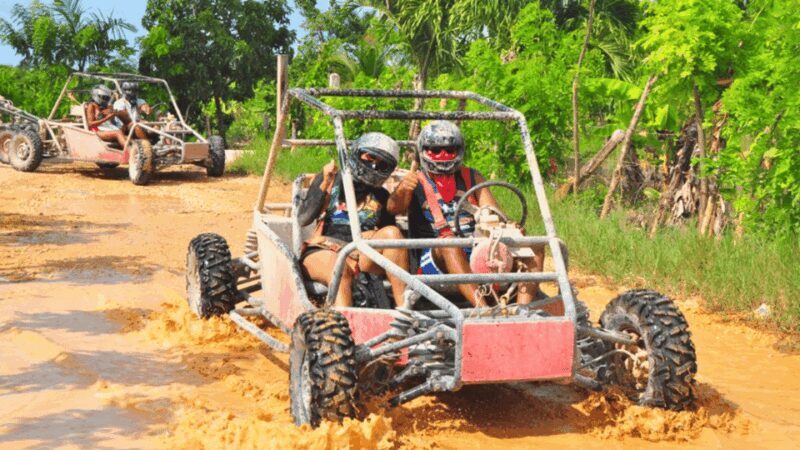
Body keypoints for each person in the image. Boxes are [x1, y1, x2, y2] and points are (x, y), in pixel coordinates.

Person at [388, 120, 551, 309]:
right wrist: (402, 190)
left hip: (476, 250)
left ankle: (523, 309)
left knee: (535, 245)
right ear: (424, 151)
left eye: (449, 150)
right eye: (436, 150)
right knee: (449, 244)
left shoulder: (471, 177)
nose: (443, 156)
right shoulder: (415, 181)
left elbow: (493, 214)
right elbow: (393, 209)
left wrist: (509, 227)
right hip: (433, 261)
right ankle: (482, 311)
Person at [298, 132, 410, 308]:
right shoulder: (332, 179)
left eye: (381, 163)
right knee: (339, 268)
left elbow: (390, 239)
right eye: (370, 156)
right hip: (323, 249)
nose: (373, 164)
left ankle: (405, 314)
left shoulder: (381, 195)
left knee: (393, 233)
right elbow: (304, 218)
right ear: (358, 153)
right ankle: (346, 326)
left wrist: (373, 233)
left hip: (360, 253)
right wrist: (324, 182)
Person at [85, 85, 127, 150]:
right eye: (103, 97)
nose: (105, 100)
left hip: (109, 128)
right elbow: (90, 124)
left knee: (126, 132)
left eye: (107, 98)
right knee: (118, 133)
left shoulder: (107, 106)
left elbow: (113, 119)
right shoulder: (91, 106)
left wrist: (114, 113)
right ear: (96, 95)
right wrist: (106, 118)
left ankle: (139, 149)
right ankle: (130, 152)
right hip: (98, 131)